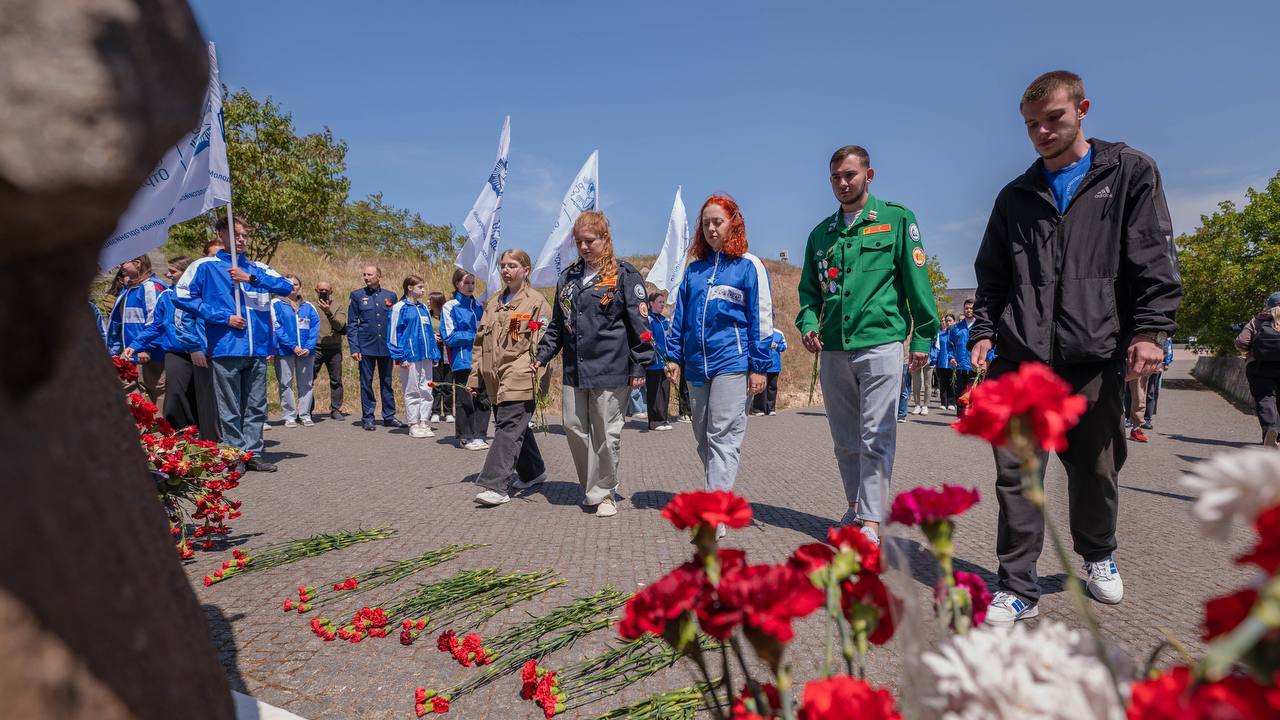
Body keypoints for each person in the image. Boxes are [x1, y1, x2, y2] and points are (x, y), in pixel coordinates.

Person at [969, 71, 1182, 624]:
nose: (1041, 131)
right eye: (1031, 124)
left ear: (1083, 109)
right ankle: (1016, 587)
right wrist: (984, 331)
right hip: (1021, 357)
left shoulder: (1131, 172)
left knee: (1095, 468)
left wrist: (1149, 330)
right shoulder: (1014, 196)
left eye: (1053, 119)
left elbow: (1152, 257)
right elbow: (991, 274)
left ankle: (1098, 556)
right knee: (1016, 474)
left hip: (1094, 353)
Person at [795, 145, 939, 543]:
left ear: (868, 175)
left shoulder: (896, 219)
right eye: (836, 177)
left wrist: (923, 334)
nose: (843, 183)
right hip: (836, 348)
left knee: (876, 433)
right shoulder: (820, 235)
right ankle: (855, 506)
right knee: (845, 439)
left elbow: (917, 283)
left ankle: (872, 521)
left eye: (850, 175)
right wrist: (808, 323)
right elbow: (809, 293)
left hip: (881, 343)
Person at [535, 210, 654, 518]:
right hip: (575, 369)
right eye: (579, 242)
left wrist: (640, 365)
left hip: (611, 368)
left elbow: (639, 325)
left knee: (606, 433)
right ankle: (594, 485)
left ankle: (604, 493)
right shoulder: (569, 278)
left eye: (589, 240)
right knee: (574, 428)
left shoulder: (625, 275)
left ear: (605, 239)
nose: (584, 247)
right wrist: (542, 356)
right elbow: (558, 326)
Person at [665, 195, 772, 524]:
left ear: (733, 224)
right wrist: (673, 356)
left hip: (733, 363)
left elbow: (761, 318)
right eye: (706, 223)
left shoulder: (748, 266)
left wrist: (759, 365)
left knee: (723, 435)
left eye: (718, 222)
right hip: (697, 366)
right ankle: (718, 492)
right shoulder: (694, 271)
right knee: (703, 435)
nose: (711, 228)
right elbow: (679, 317)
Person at [174, 215, 295, 472]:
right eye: (236, 234)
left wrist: (250, 278)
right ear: (222, 234)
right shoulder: (204, 266)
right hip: (227, 346)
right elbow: (182, 296)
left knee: (257, 405)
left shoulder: (258, 268)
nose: (241, 240)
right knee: (229, 407)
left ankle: (253, 453)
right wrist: (223, 317)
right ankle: (234, 456)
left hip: (258, 348)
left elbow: (286, 287)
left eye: (244, 235)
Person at [472, 250, 551, 505]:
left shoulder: (536, 303)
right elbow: (479, 343)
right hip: (495, 376)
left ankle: (496, 485)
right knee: (515, 426)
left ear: (526, 270)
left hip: (521, 374)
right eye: (503, 266)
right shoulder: (494, 302)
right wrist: (475, 378)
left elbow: (544, 345)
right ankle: (533, 472)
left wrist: (536, 378)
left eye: (512, 265)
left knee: (507, 426)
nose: (506, 270)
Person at [127, 256, 217, 440]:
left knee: (203, 396)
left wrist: (198, 347)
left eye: (173, 271)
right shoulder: (166, 296)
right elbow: (155, 326)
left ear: (186, 274)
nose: (168, 275)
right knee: (175, 396)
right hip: (175, 352)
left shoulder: (202, 296)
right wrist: (135, 345)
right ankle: (180, 436)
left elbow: (203, 322)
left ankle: (209, 438)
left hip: (201, 352)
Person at [107, 254, 170, 404]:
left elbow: (155, 321)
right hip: (130, 353)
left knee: (155, 393)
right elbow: (120, 323)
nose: (119, 266)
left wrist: (145, 347)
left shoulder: (150, 287)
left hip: (148, 355)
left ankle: (160, 427)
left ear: (137, 263)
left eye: (123, 262)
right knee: (134, 397)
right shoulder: (129, 289)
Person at [348, 265, 404, 431]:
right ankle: (368, 417)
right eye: (364, 274)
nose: (366, 277)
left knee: (387, 382)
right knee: (366, 383)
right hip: (366, 346)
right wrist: (354, 347)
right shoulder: (357, 295)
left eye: (370, 274)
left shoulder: (390, 296)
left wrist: (396, 347)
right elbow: (352, 324)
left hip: (385, 346)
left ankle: (389, 415)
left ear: (379, 276)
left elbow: (395, 323)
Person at [388, 275, 441, 439]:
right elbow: (393, 334)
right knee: (412, 390)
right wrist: (399, 356)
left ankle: (424, 420)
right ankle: (413, 423)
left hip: (426, 355)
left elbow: (429, 334)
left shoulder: (424, 308)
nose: (423, 290)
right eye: (420, 287)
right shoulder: (399, 307)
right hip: (409, 356)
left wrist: (434, 354)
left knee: (427, 389)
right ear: (410, 288)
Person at [442, 269, 489, 449]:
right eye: (466, 283)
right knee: (465, 398)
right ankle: (465, 436)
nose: (470, 286)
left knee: (483, 398)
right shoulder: (450, 306)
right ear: (457, 284)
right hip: (462, 359)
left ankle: (480, 434)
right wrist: (475, 335)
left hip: (482, 359)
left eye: (472, 283)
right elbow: (450, 337)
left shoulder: (478, 306)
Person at [272, 275, 320, 428]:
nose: (293, 286)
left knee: (306, 383)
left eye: (296, 284)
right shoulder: (275, 304)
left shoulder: (309, 306)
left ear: (300, 286)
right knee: (286, 383)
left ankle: (305, 415)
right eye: (289, 284)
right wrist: (293, 346)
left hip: (306, 352)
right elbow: (276, 327)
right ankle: (289, 416)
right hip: (285, 351)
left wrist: (308, 347)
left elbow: (314, 327)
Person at [1235, 292, 1280, 448]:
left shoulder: (1257, 320)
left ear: (1268, 305)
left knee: (1265, 399)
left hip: (1259, 366)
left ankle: (1271, 431)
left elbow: (1241, 343)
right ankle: (1276, 436)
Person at [312, 280, 347, 421]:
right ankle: (307, 410)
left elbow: (340, 326)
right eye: (321, 290)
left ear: (331, 291)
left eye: (326, 290)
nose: (324, 292)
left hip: (334, 348)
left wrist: (328, 312)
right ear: (316, 290)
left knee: (336, 380)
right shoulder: (311, 307)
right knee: (308, 380)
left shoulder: (338, 306)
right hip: (315, 348)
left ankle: (336, 409)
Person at [645, 290, 674, 431]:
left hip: (665, 362)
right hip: (653, 362)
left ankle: (663, 419)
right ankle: (654, 421)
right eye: (659, 302)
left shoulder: (664, 320)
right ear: (651, 303)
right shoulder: (647, 319)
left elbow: (669, 339)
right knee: (654, 392)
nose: (662, 305)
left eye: (663, 302)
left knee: (664, 390)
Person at [427, 291, 454, 423]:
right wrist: (431, 336)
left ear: (436, 302)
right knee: (436, 383)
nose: (427, 302)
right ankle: (435, 411)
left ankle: (448, 411)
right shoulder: (427, 315)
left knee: (448, 383)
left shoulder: (448, 315)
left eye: (430, 300)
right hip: (434, 351)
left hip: (447, 350)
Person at [1140, 337, 1174, 430]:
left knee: (1151, 392)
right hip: (1141, 362)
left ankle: (1147, 418)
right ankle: (1130, 417)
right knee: (1133, 391)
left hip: (1157, 364)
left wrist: (1166, 362)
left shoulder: (1163, 332)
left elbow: (1167, 346)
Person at [949, 299, 976, 416]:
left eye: (971, 308)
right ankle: (960, 417)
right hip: (960, 366)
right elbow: (950, 345)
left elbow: (990, 346)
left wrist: (986, 360)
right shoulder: (956, 328)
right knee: (959, 392)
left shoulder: (980, 326)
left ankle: (972, 417)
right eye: (966, 308)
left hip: (975, 367)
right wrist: (951, 357)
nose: (969, 310)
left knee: (973, 393)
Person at [752, 328, 787, 416]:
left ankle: (771, 408)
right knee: (760, 387)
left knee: (772, 387)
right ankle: (758, 409)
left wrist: (776, 346)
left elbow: (784, 347)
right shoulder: (759, 330)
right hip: (761, 365)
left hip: (775, 366)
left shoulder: (779, 333)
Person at [935, 314, 957, 409]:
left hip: (953, 363)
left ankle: (951, 402)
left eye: (950, 320)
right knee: (942, 383)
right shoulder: (941, 334)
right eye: (947, 321)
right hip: (941, 362)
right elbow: (936, 349)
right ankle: (943, 403)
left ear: (954, 321)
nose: (948, 322)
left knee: (951, 383)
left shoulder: (957, 334)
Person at [912, 331, 936, 415]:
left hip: (929, 359)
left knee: (927, 384)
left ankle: (925, 406)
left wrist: (933, 358)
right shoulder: (915, 329)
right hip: (915, 358)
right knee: (916, 383)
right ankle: (917, 405)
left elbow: (936, 345)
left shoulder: (933, 329)